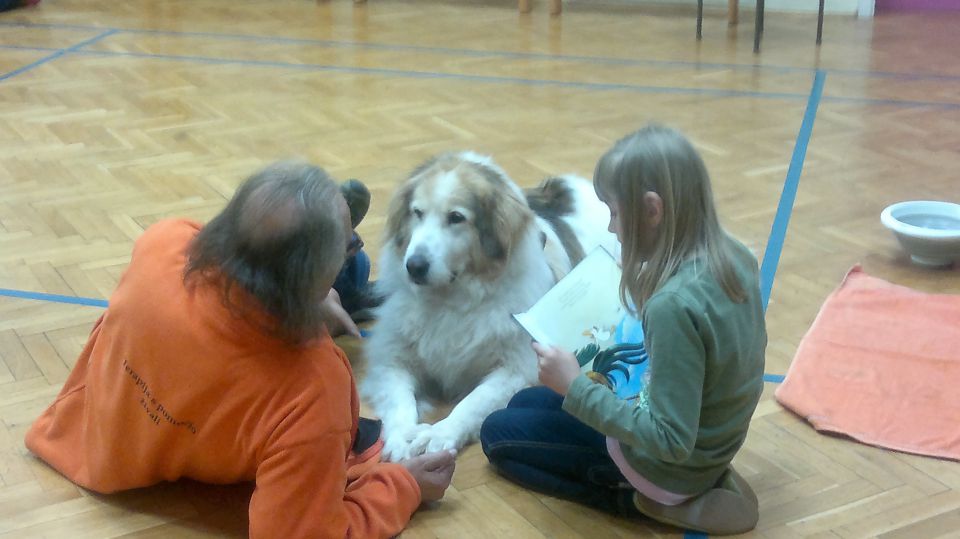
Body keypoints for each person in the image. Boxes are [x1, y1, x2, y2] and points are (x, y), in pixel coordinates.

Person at [24, 161, 456, 539]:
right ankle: (340, 274)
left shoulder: (162, 243)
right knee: (356, 274)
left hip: (100, 440)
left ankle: (313, 250)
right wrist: (404, 487)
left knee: (347, 271)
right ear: (307, 282)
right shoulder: (312, 386)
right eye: (349, 242)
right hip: (232, 430)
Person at [479, 125, 767, 535]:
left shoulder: (674, 306)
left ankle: (634, 500)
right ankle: (696, 480)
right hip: (706, 442)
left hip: (665, 467)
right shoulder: (733, 254)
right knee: (525, 401)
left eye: (614, 212)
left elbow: (670, 439)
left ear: (652, 210)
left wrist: (576, 387)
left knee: (498, 435)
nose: (612, 228)